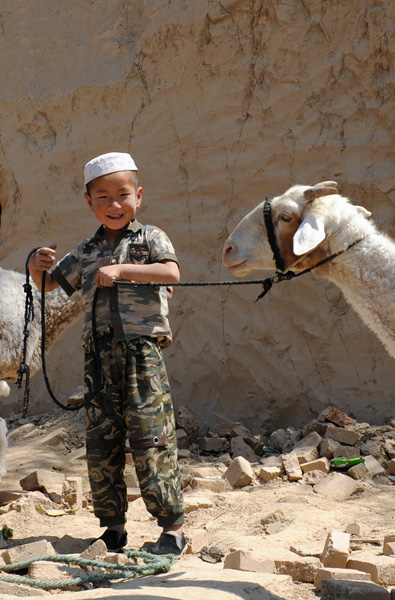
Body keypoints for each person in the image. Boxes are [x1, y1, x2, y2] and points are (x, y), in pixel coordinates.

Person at [29, 152, 186, 555]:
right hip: (98, 359)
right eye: (103, 197)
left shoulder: (150, 237)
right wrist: (35, 265)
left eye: (122, 195)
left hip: (141, 354)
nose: (114, 205)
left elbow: (171, 273)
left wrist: (123, 271)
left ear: (138, 195)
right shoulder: (84, 251)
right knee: (103, 445)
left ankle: (172, 530)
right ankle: (113, 529)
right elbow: (49, 285)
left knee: (152, 440)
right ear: (89, 202)